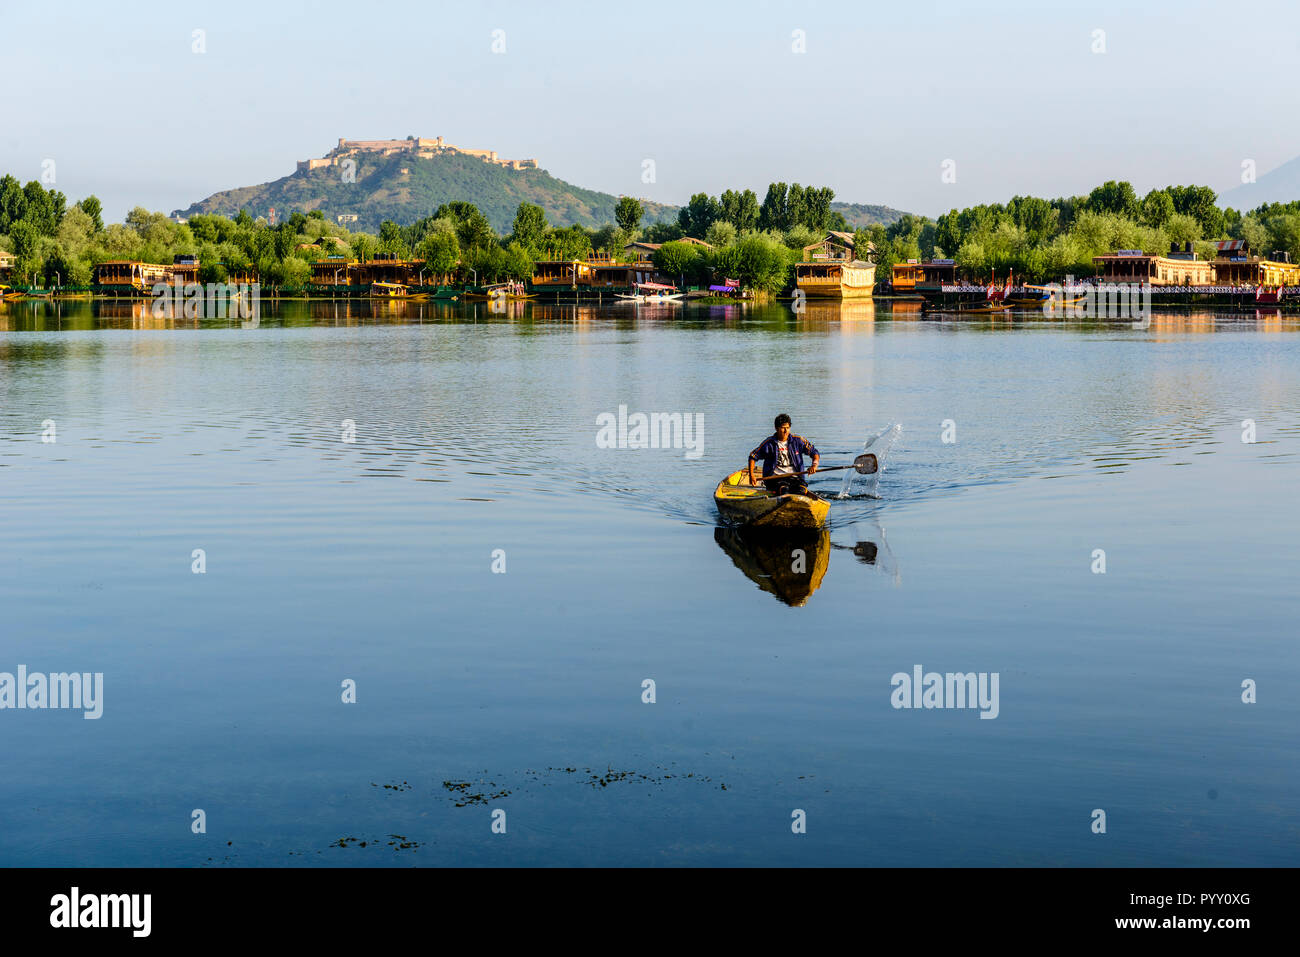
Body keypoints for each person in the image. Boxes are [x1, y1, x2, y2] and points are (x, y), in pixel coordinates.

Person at [748, 414, 819, 496]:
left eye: (788, 428)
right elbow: (753, 456)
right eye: (783, 428)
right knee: (784, 491)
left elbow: (814, 452)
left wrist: (814, 466)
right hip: (775, 479)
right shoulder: (769, 443)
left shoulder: (798, 441)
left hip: (796, 478)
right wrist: (752, 475)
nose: (786, 431)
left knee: (801, 491)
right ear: (776, 428)